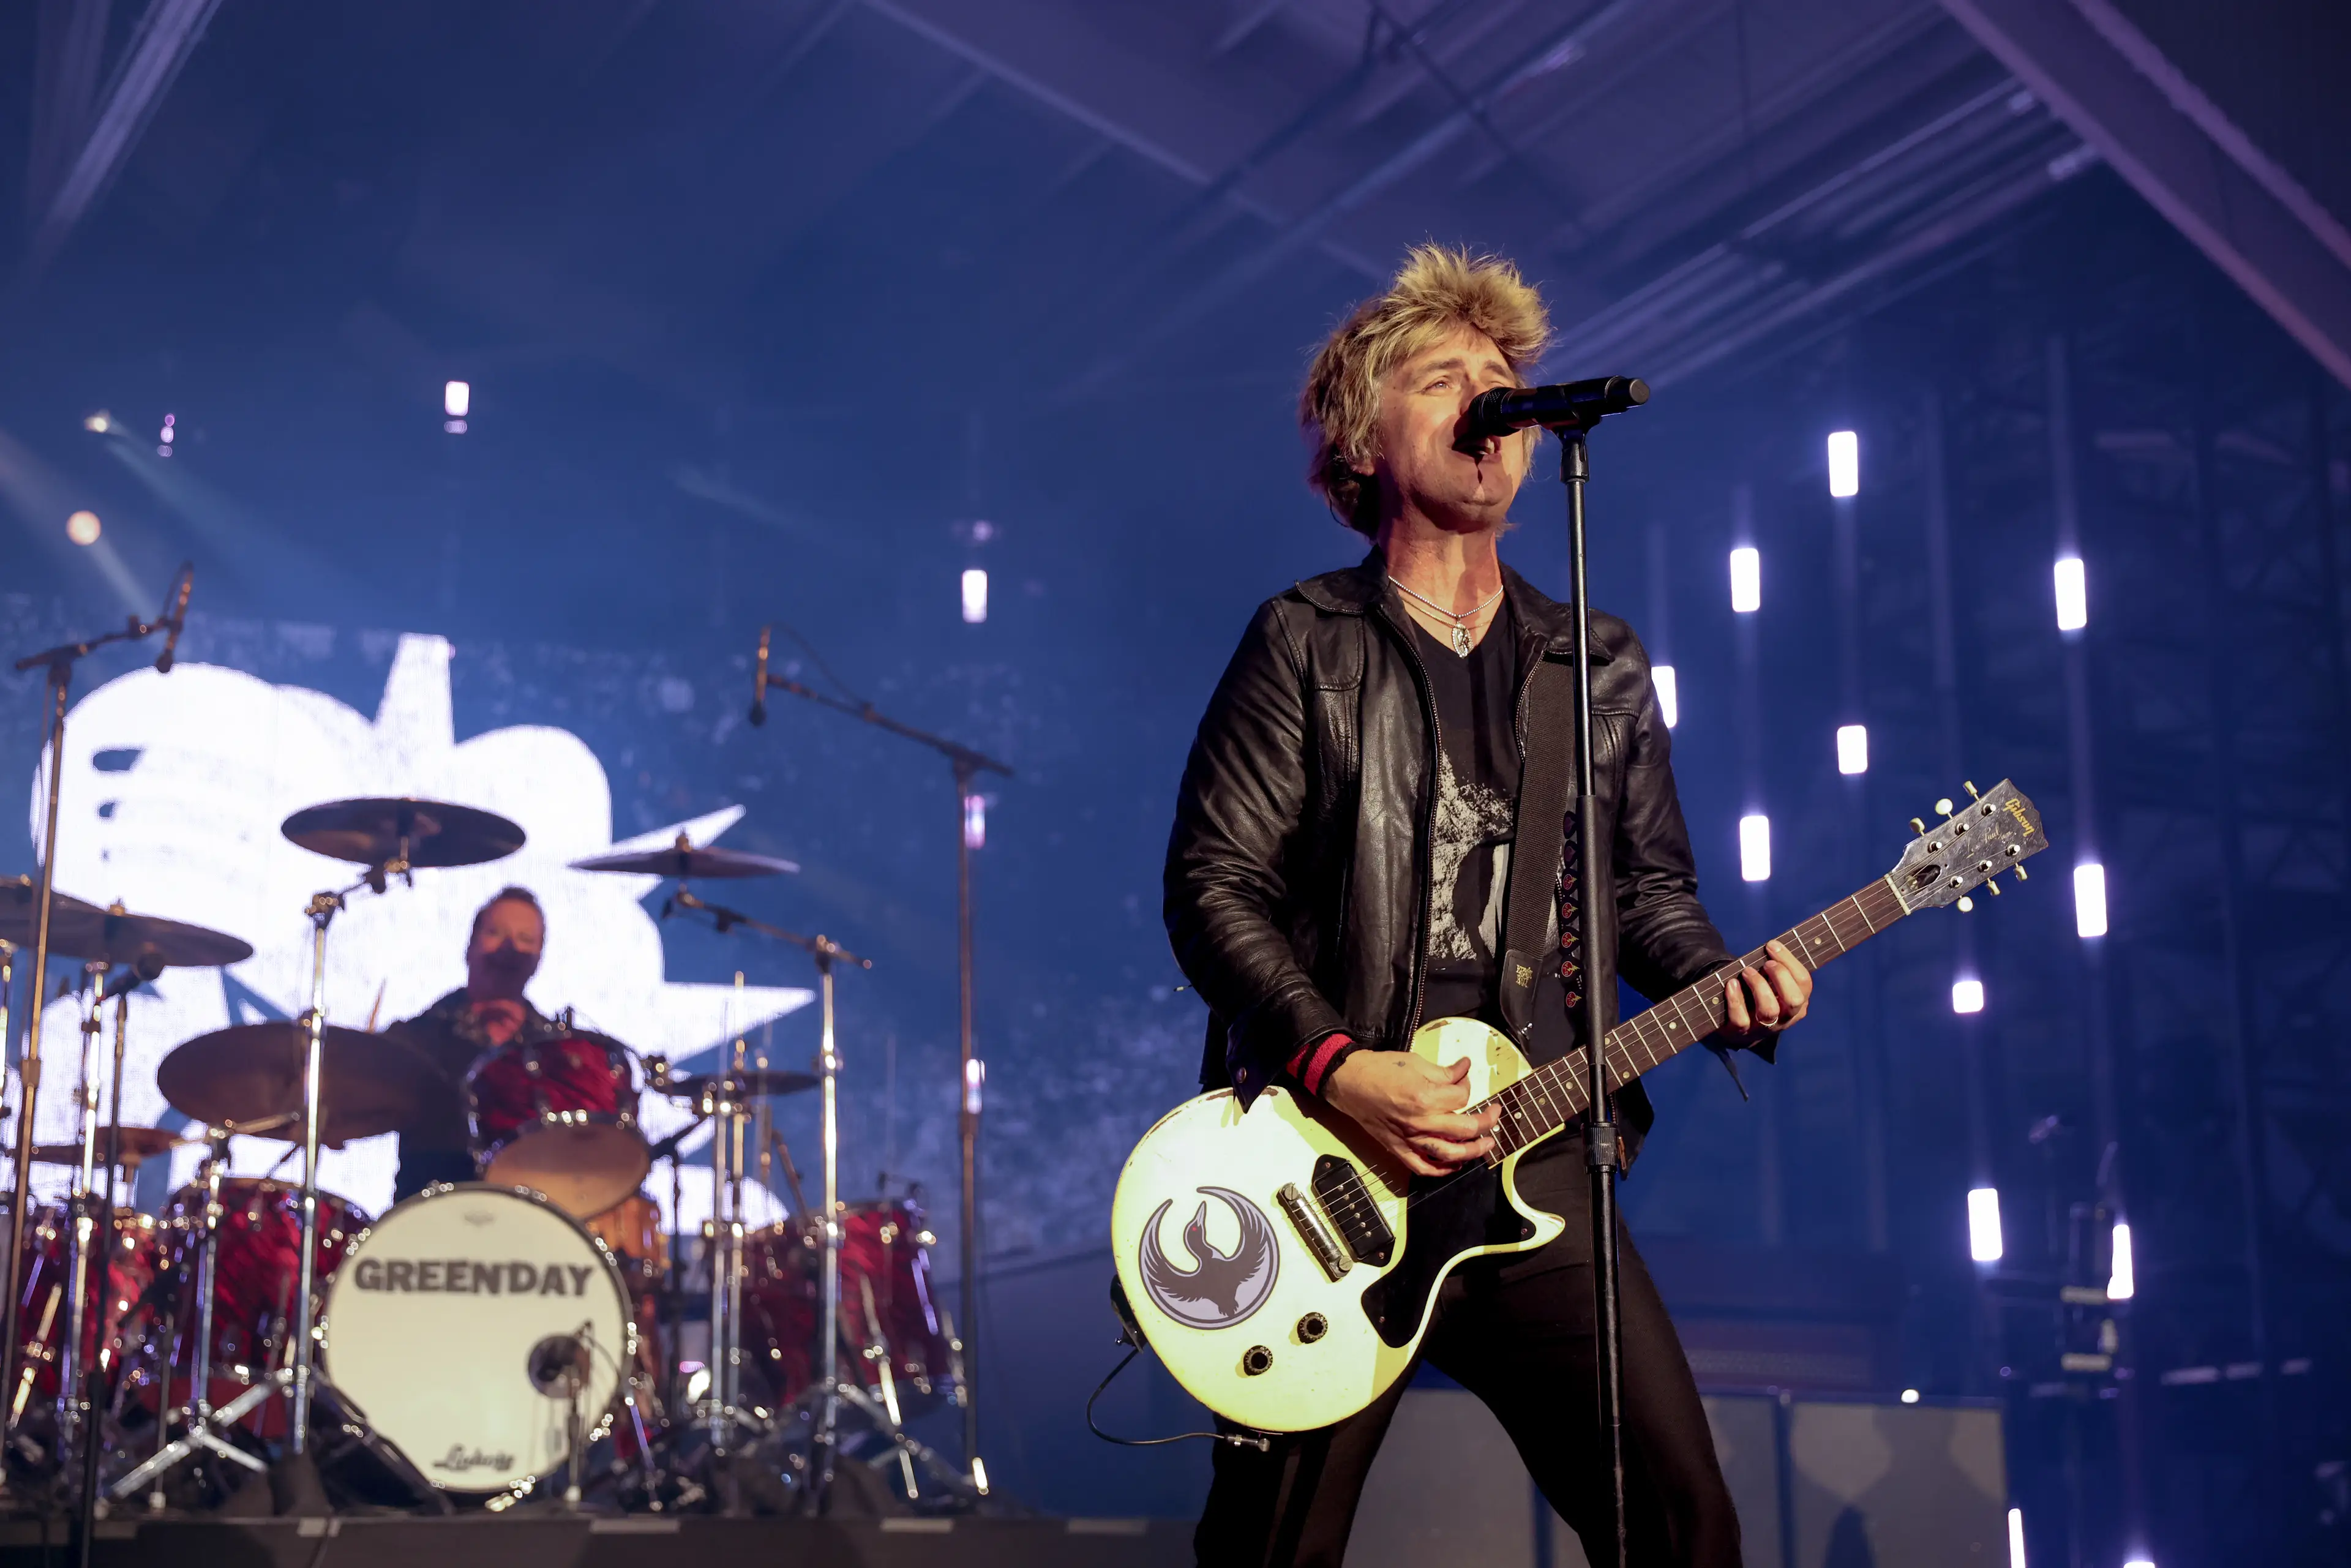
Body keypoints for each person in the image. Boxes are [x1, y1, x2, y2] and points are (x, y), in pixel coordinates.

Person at [1163, 244, 1814, 1567]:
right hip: (1332, 1161)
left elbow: (1649, 889)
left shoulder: (1598, 659)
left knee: (1686, 1527)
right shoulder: (1305, 640)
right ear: (1362, 438)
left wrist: (1721, 973)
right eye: (1442, 379)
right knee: (1271, 1550)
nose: (1488, 403)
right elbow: (1210, 885)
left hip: (1539, 1152)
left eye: (1503, 380)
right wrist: (1341, 1066)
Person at [386, 885, 564, 1203]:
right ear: (469, 947)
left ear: (538, 959)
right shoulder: (414, 1039)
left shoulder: (558, 1052)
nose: (509, 948)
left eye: (525, 940)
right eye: (496, 933)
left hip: (533, 1224)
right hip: (426, 1224)